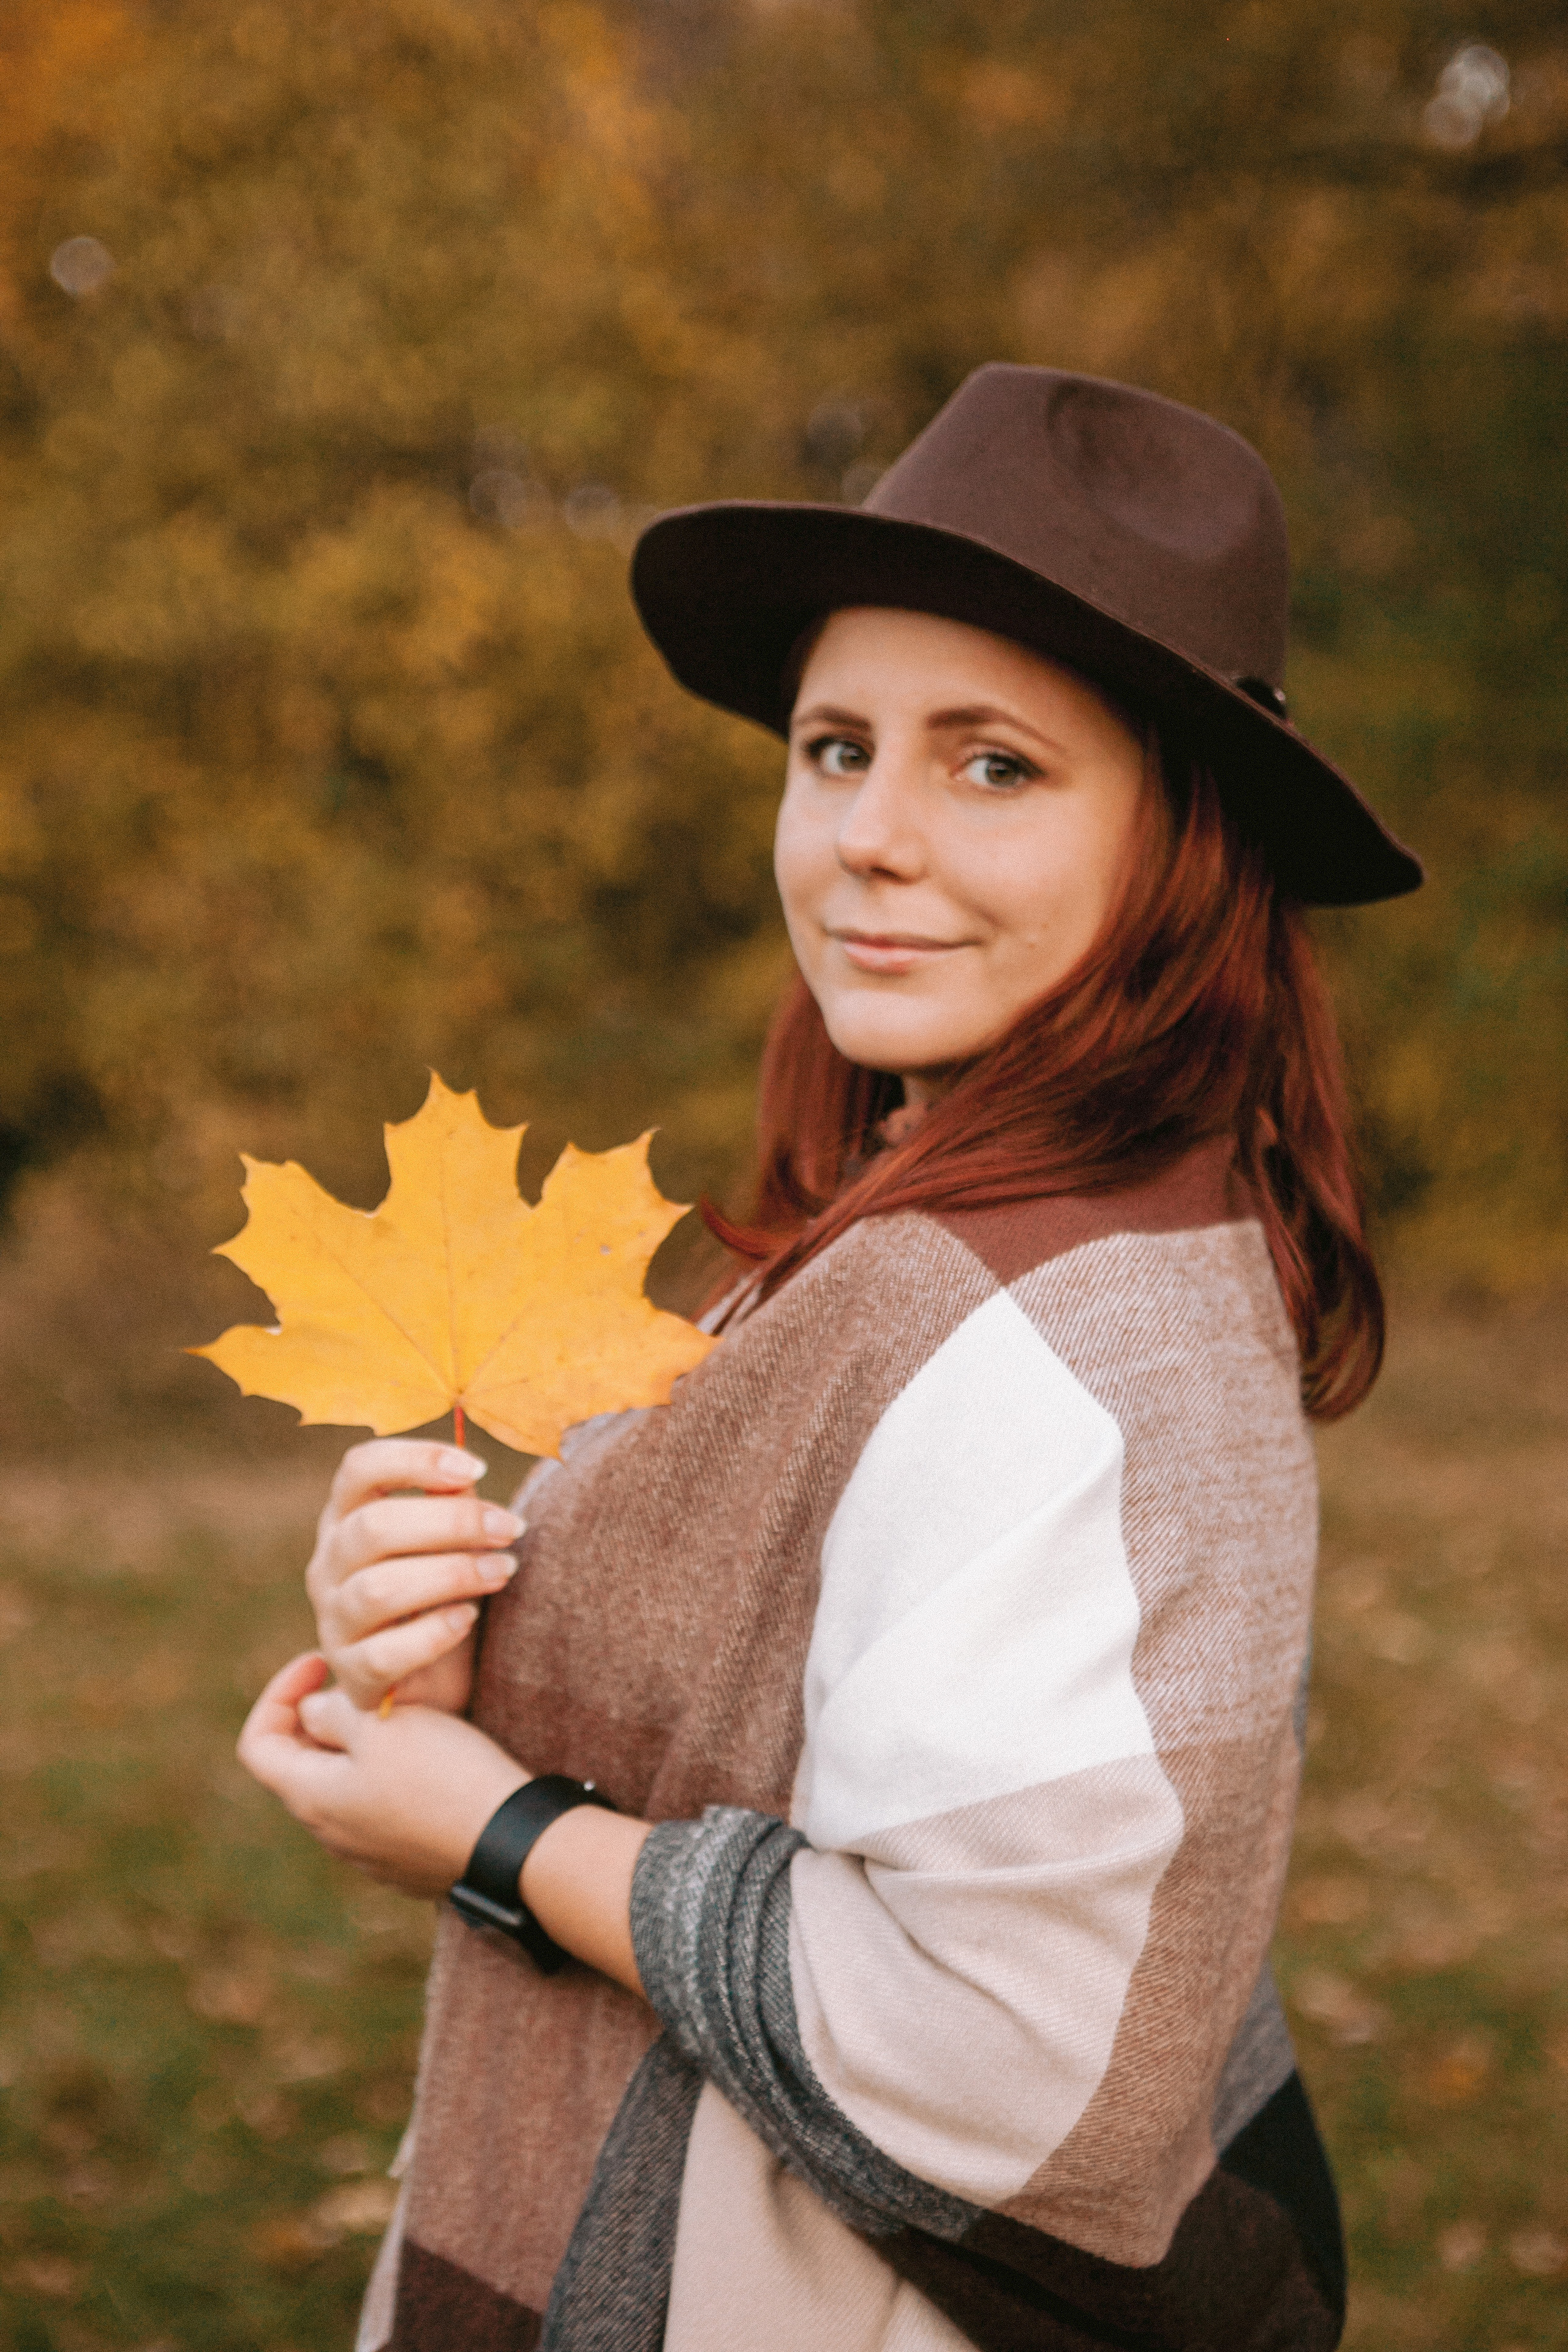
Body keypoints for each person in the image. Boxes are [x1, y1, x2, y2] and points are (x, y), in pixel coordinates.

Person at [238, 364, 1422, 2352]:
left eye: (993, 767)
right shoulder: (941, 1213)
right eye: (835, 745)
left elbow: (1002, 2057)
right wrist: (452, 1655)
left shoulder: (1049, 1334)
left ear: (1183, 839)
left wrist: (494, 1833)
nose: (865, 835)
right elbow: (776, 1733)